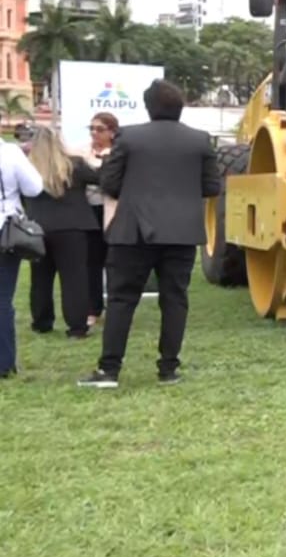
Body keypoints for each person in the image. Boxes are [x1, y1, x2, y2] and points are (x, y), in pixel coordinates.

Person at [78, 80, 220, 388]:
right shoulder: (199, 141)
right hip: (182, 233)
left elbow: (110, 183)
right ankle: (168, 369)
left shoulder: (129, 137)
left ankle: (109, 370)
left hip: (134, 231)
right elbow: (212, 187)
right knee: (175, 300)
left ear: (148, 107)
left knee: (121, 299)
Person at [24, 126, 101, 339]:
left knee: (40, 278)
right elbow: (102, 179)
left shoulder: (28, 167)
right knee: (74, 278)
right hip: (72, 227)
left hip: (37, 228)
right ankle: (77, 327)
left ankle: (42, 322)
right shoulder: (73, 165)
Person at [0, 133, 44, 379]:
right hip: (4, 229)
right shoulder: (9, 153)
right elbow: (34, 187)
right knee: (2, 298)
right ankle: (3, 362)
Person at [76, 112, 119, 325]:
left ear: (112, 132)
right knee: (91, 262)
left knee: (113, 262)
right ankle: (93, 309)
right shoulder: (80, 151)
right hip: (87, 211)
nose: (94, 133)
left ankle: (115, 307)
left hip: (112, 211)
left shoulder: (119, 153)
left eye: (100, 129)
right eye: (91, 128)